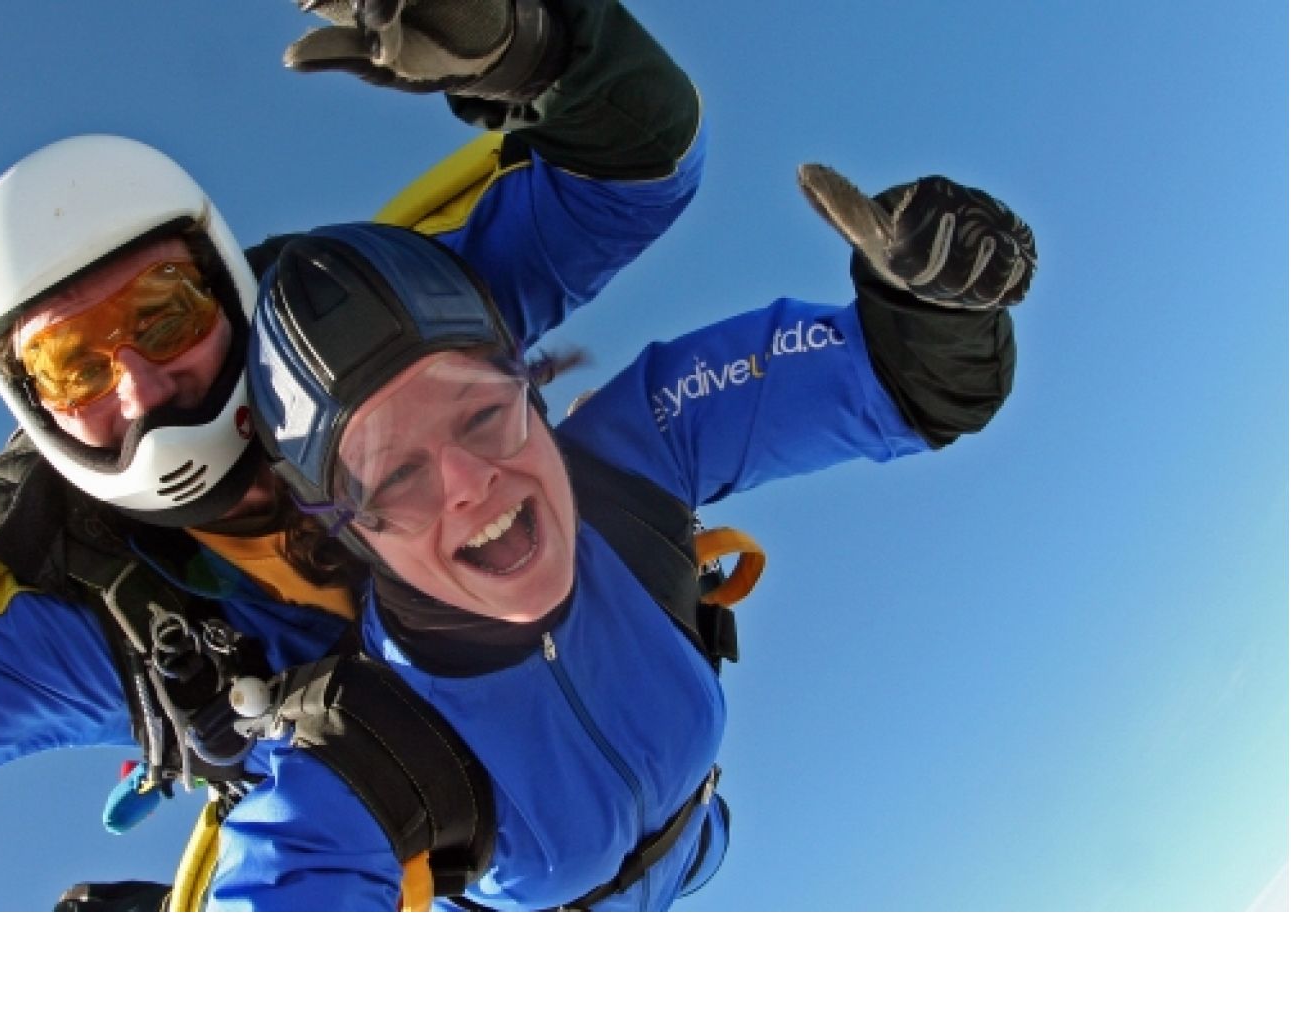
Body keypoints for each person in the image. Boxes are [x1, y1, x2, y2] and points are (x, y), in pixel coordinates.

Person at [0, 0, 707, 875]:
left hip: (681, 780)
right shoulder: (103, 626)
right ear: (31, 410)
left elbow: (632, 173)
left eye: (163, 313)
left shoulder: (383, 342)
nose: (143, 384)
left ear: (231, 293)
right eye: (73, 367)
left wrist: (534, 44)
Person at [208, 168, 1036, 910]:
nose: (468, 482)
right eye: (395, 477)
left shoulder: (627, 466)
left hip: (701, 842)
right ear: (353, 535)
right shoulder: (366, 755)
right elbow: (285, 885)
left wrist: (935, 309)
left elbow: (891, 382)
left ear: (530, 392)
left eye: (482, 414)